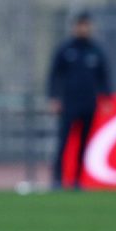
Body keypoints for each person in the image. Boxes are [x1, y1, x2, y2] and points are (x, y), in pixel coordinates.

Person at [48, 11, 112, 190]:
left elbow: (104, 77)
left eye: (86, 25)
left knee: (84, 143)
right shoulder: (65, 49)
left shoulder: (96, 51)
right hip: (68, 104)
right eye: (80, 25)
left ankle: (77, 180)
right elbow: (54, 75)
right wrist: (54, 97)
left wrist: (106, 97)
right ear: (74, 27)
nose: (83, 28)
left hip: (88, 104)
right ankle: (57, 179)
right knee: (63, 142)